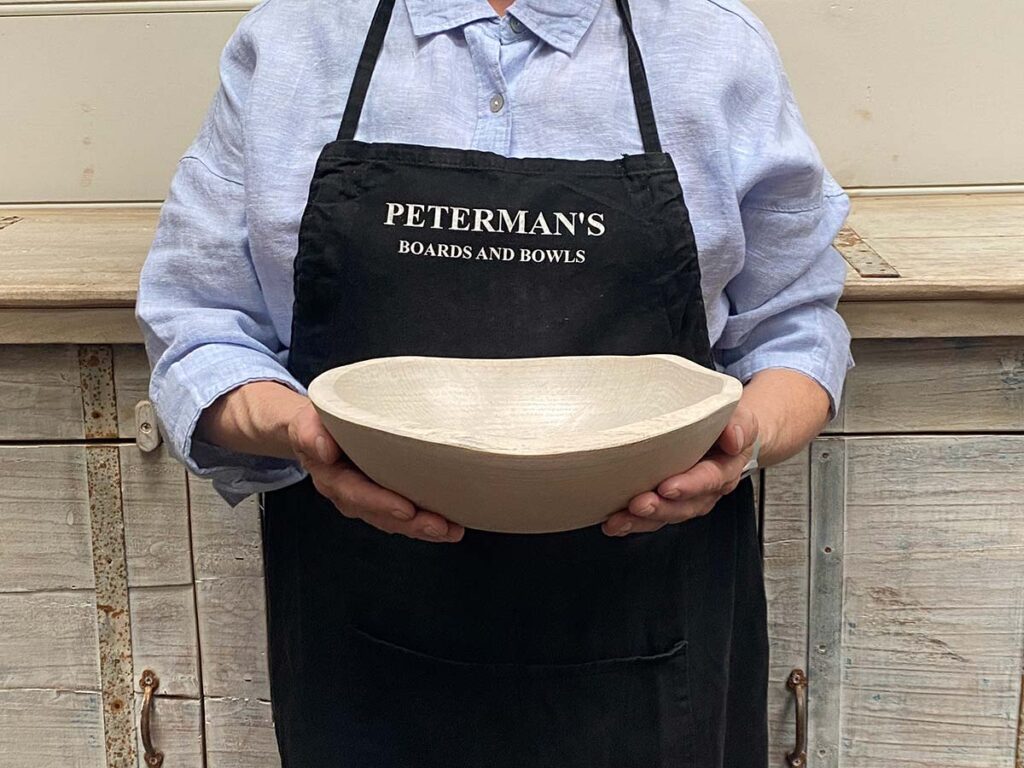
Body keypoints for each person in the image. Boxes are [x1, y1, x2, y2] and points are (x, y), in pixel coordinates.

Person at [136, 0, 853, 765]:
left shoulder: (715, 47)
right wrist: (299, 431)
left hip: (654, 651)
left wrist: (742, 439)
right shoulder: (291, 42)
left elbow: (796, 330)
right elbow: (199, 325)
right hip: (364, 646)